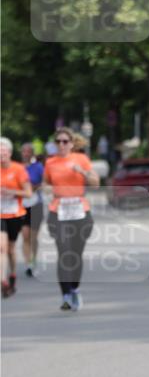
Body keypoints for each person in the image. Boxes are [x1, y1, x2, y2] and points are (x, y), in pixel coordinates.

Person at [43, 127, 99, 311]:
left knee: (76, 254)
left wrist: (82, 172)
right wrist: (46, 188)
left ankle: (75, 288)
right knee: (64, 252)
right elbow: (45, 183)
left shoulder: (81, 159)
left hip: (80, 212)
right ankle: (65, 294)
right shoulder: (50, 162)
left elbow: (96, 183)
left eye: (65, 141)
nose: (61, 145)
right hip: (58, 212)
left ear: (72, 143)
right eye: (58, 142)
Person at [0, 137, 32, 298]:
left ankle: (12, 274)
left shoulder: (18, 169)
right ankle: (3, 280)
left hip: (14, 213)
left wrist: (11, 192)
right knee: (2, 247)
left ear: (10, 153)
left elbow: (28, 193)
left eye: (3, 152)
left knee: (11, 249)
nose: (1, 155)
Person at [20, 142, 44, 277]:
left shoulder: (38, 167)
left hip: (36, 204)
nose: (26, 154)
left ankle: (34, 260)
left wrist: (34, 187)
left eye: (29, 151)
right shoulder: (17, 168)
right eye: (24, 151)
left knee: (33, 236)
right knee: (25, 235)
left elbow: (44, 181)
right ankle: (28, 263)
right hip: (22, 204)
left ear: (32, 153)